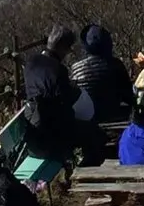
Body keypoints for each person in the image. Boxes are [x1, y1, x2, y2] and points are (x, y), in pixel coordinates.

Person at [24, 25, 104, 167]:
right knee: (94, 133)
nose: (67, 53)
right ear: (61, 48)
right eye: (67, 49)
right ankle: (87, 172)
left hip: (33, 129)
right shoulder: (58, 69)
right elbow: (65, 104)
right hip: (52, 132)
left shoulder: (30, 63)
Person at [70, 23, 135, 124]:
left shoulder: (76, 69)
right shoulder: (116, 65)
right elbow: (129, 97)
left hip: (88, 123)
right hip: (114, 119)